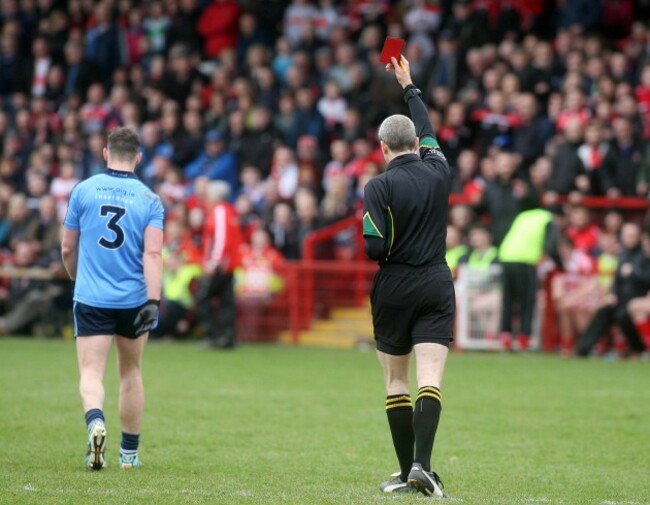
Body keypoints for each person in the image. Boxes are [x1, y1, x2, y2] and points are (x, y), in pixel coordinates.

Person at [363, 56, 452, 497]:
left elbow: (373, 247)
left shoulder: (377, 187)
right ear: (417, 143)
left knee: (396, 381)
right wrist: (410, 86)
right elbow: (430, 129)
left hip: (394, 285)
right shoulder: (439, 170)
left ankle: (404, 473)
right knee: (429, 377)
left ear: (382, 148)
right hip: (436, 280)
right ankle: (423, 466)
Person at [61, 127, 164, 470]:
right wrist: (154, 301)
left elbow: (66, 247)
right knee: (131, 373)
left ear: (105, 152)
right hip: (133, 300)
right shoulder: (150, 199)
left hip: (92, 296)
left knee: (91, 373)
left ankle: (95, 423)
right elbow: (152, 254)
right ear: (138, 157)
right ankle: (129, 455)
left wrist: (78, 278)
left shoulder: (83, 190)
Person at [197, 180, 243, 349]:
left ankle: (214, 335)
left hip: (221, 266)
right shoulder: (229, 211)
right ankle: (228, 337)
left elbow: (221, 240)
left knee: (203, 299)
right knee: (226, 301)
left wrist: (213, 263)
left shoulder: (220, 211)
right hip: (228, 265)